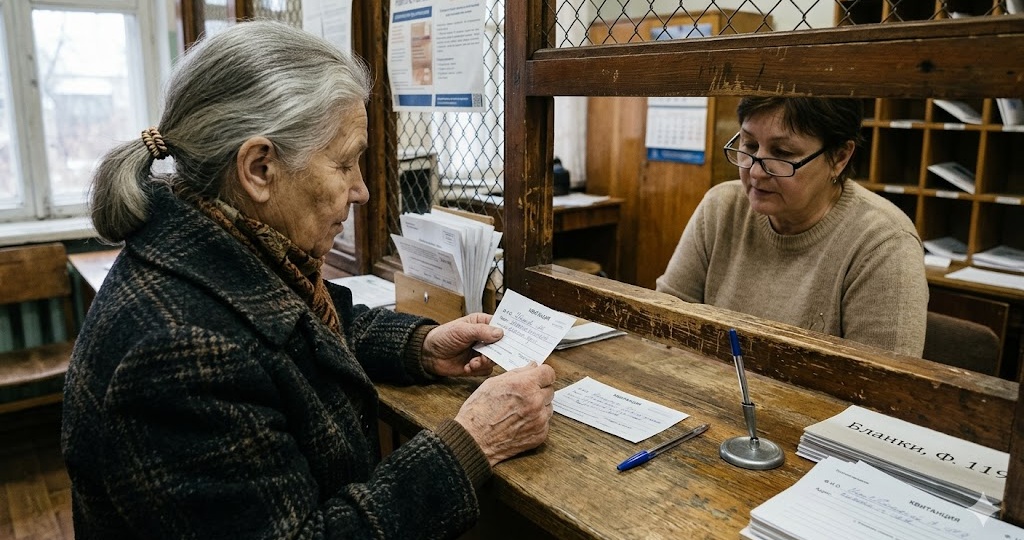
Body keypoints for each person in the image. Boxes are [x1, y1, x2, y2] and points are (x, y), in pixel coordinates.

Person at [62, 21, 555, 539]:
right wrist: (473, 442)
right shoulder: (178, 353)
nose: (362, 191)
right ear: (259, 169)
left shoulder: (219, 250)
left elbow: (303, 334)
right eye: (344, 163)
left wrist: (422, 347)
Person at [656, 97, 928, 357]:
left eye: (782, 153)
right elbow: (662, 324)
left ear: (839, 157)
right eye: (750, 145)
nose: (756, 171)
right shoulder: (721, 207)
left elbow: (880, 383)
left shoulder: (885, 244)